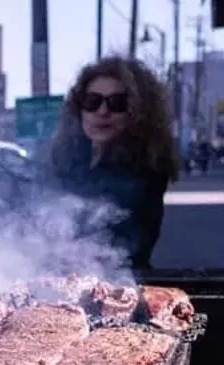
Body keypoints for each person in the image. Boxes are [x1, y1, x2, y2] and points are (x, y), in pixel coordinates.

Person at [45, 56, 180, 269]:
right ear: (79, 109)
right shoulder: (68, 160)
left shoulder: (142, 172)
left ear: (137, 112)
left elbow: (113, 242)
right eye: (92, 101)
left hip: (115, 288)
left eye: (117, 103)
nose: (103, 111)